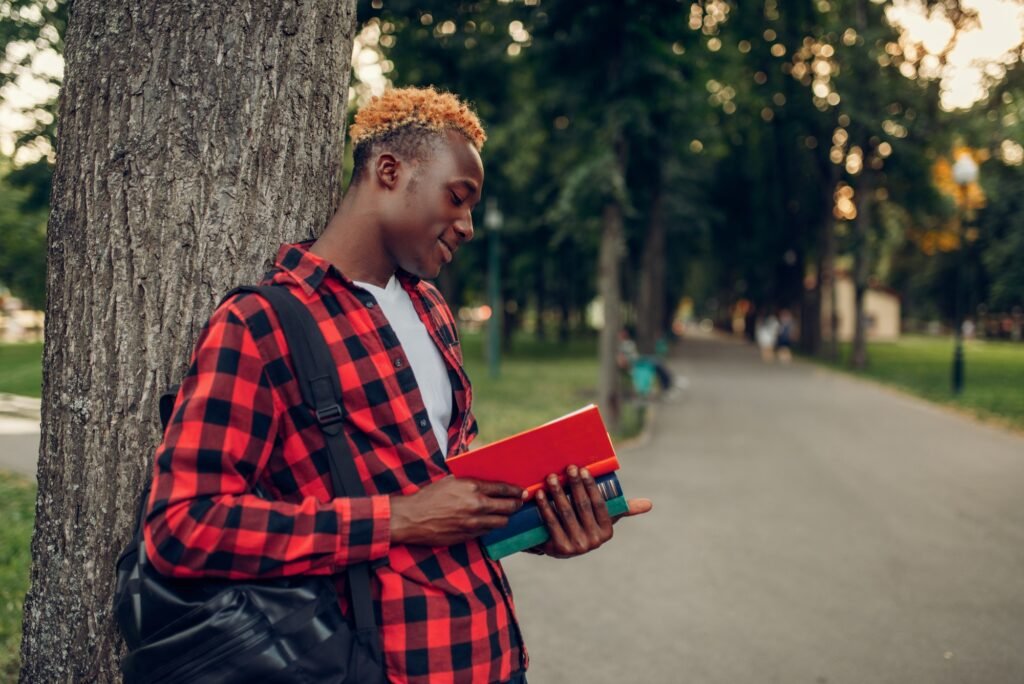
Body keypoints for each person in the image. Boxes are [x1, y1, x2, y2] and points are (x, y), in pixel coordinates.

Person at [143, 87, 652, 684]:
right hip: (378, 664)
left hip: (491, 655)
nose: (466, 226)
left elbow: (447, 498)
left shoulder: (433, 311)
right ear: (389, 171)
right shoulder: (263, 324)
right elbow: (183, 528)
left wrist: (546, 525)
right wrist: (396, 519)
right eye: (457, 198)